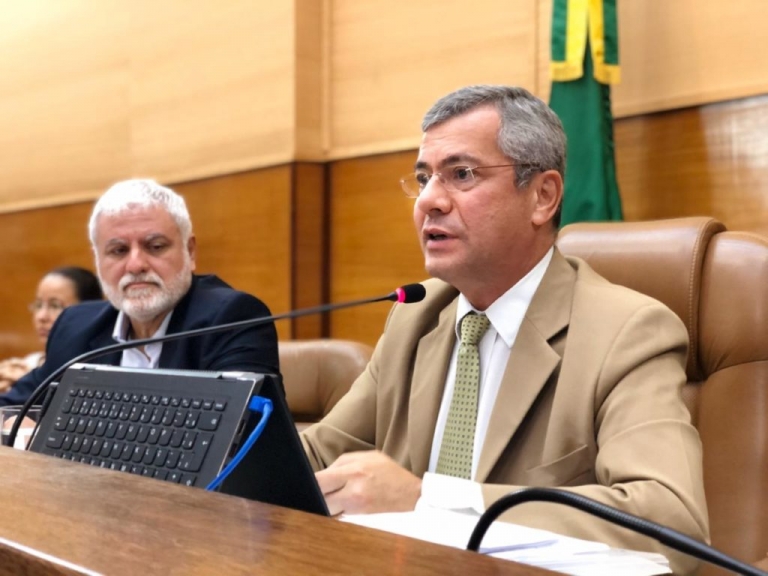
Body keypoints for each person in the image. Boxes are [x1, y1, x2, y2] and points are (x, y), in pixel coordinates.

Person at [300, 85, 709, 574]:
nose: (429, 201)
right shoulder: (418, 315)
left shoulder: (626, 332)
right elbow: (317, 455)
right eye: (424, 178)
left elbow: (671, 522)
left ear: (543, 196)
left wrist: (429, 501)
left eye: (462, 174)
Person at [0, 179, 279, 407]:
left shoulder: (233, 319)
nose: (135, 265)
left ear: (190, 252)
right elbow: (13, 404)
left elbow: (240, 434)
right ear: (98, 261)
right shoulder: (75, 326)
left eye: (155, 246)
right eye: (118, 250)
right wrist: (15, 420)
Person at [0, 267, 103, 392]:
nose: (41, 316)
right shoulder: (26, 364)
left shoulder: (94, 370)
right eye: (38, 305)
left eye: (55, 306)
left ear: (88, 312)